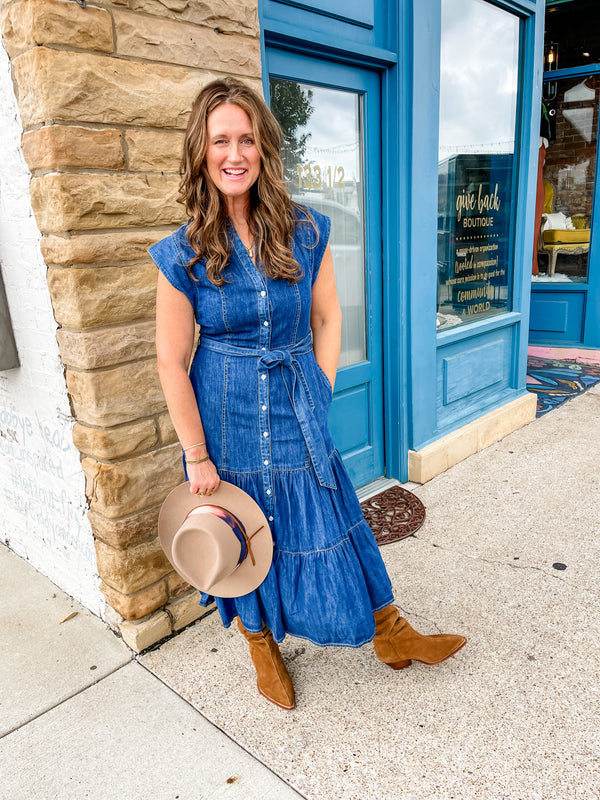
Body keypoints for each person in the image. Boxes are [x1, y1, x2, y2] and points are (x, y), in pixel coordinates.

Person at [150, 76, 466, 710]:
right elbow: (169, 360)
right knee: (244, 531)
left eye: (245, 139)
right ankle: (261, 646)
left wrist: (320, 387)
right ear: (201, 152)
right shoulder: (180, 254)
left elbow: (328, 318)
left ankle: (389, 631)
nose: (233, 154)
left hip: (297, 399)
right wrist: (196, 455)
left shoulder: (306, 230)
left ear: (264, 148)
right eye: (219, 141)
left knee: (329, 514)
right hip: (226, 410)